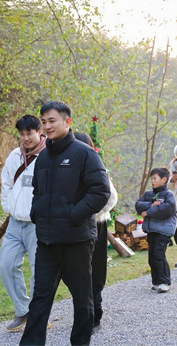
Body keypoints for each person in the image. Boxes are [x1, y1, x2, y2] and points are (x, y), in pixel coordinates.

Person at [20, 101, 111, 346]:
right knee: (40, 299)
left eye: (52, 121)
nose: (47, 126)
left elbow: (100, 191)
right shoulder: (43, 157)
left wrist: (73, 214)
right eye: (44, 122)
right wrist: (36, 213)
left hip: (76, 241)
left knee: (82, 298)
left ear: (67, 122)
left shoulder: (84, 154)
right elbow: (37, 192)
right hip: (47, 242)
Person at [0, 115, 46, 331]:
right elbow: (6, 183)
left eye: (30, 133)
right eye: (22, 134)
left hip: (38, 224)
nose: (26, 138)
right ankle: (23, 311)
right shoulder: (14, 156)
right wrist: (8, 207)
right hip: (15, 224)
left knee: (39, 272)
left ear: (39, 132)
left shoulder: (49, 155)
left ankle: (38, 316)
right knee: (6, 265)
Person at [74, 132, 118, 332]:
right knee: (78, 271)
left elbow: (110, 198)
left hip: (96, 224)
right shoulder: (65, 168)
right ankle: (84, 314)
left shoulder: (97, 167)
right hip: (73, 227)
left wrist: (87, 211)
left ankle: (95, 315)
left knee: (95, 270)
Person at [135, 167, 177, 292]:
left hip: (163, 231)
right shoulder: (148, 194)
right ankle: (156, 281)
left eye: (155, 178)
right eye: (151, 179)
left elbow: (167, 209)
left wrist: (147, 212)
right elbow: (138, 205)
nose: (152, 181)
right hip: (151, 229)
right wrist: (151, 205)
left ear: (164, 179)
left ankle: (164, 281)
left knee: (159, 254)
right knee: (152, 256)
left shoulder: (168, 194)